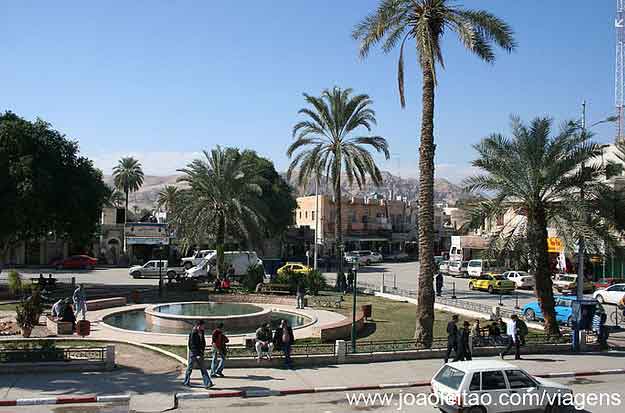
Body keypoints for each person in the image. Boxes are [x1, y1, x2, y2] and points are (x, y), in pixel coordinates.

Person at [183, 320, 214, 388]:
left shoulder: (202, 332)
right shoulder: (193, 333)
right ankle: (186, 381)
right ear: (198, 326)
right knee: (190, 368)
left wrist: (202, 351)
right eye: (203, 326)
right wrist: (196, 354)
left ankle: (208, 383)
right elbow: (191, 345)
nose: (204, 327)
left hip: (200, 353)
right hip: (193, 354)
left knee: (203, 369)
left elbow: (203, 342)